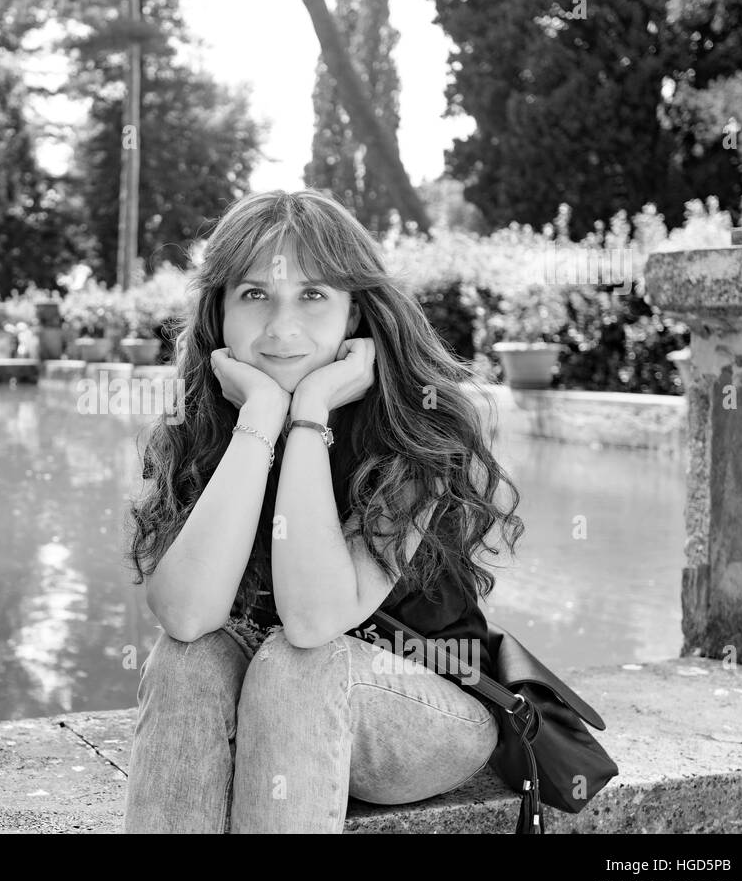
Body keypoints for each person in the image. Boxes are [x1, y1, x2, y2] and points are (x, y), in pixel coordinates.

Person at [121, 188, 525, 833]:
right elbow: (186, 613)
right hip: (271, 681)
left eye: (313, 296)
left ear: (355, 313)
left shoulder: (417, 429)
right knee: (186, 660)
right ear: (218, 314)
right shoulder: (201, 420)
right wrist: (259, 416)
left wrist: (309, 415)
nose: (282, 328)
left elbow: (313, 621)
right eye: (254, 295)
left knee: (297, 663)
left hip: (428, 699)